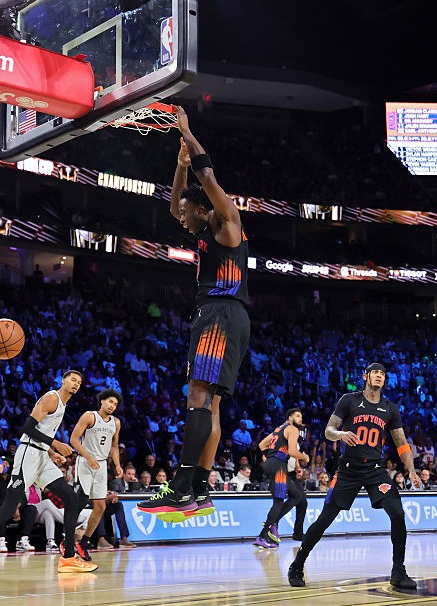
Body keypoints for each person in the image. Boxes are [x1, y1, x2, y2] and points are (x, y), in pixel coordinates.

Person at [138, 107, 251, 521]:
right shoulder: (204, 227)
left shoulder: (226, 222)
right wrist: (179, 166)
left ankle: (181, 487)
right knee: (211, 406)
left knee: (197, 398)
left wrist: (187, 133)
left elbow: (208, 177)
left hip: (220, 313)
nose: (181, 219)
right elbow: (176, 206)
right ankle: (201, 490)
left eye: (188, 213)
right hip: (224, 316)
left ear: (202, 208)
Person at [0, 370, 98, 575]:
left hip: (41, 456)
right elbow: (28, 428)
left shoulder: (63, 404)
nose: (76, 384)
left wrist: (51, 452)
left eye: (79, 382)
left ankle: (68, 557)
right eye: (72, 380)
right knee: (7, 510)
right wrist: (56, 444)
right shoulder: (52, 398)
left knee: (72, 499)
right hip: (28, 456)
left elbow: (41, 433)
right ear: (63, 381)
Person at [288, 363, 420, 589]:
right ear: (365, 376)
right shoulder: (349, 400)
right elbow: (328, 431)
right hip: (348, 470)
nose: (379, 376)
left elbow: (401, 443)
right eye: (375, 372)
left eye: (382, 374)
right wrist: (341, 434)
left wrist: (412, 470)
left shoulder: (390, 408)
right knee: (325, 519)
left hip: (376, 471)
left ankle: (398, 571)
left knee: (398, 514)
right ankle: (297, 565)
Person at [71, 389, 123, 560]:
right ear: (102, 401)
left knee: (100, 506)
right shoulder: (89, 416)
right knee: (80, 502)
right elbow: (74, 439)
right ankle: (68, 539)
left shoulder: (116, 422)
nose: (112, 406)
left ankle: (84, 542)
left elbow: (114, 446)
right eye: (110, 402)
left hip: (101, 465)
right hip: (85, 462)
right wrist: (88, 456)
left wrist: (117, 465)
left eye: (115, 404)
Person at [253, 409, 309, 549]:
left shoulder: (278, 429)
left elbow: (261, 445)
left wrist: (269, 456)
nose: (300, 418)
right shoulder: (293, 429)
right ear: (290, 418)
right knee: (279, 502)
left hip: (273, 464)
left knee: (296, 495)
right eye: (297, 416)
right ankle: (263, 535)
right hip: (278, 465)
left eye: (301, 416)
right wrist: (305, 457)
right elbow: (292, 451)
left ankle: (272, 524)